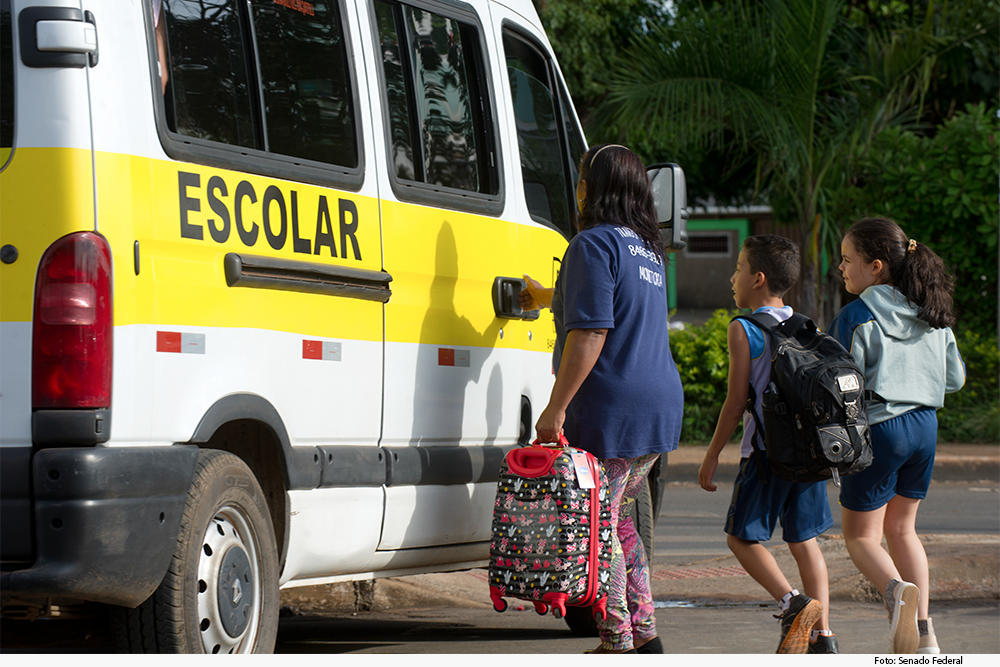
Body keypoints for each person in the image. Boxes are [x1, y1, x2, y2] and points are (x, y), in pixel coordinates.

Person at [518, 144, 683, 654]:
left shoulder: (591, 245)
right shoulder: (646, 250)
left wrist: (554, 408)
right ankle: (645, 633)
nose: (578, 187)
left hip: (614, 410)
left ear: (594, 187)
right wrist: (549, 296)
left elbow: (590, 333)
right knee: (618, 521)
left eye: (582, 178)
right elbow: (612, 301)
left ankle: (618, 639)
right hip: (656, 407)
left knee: (598, 528)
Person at [828, 217, 965, 654]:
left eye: (847, 260)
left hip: (881, 430)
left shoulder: (857, 316)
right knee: (904, 531)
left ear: (876, 266)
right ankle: (925, 636)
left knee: (862, 537)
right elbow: (954, 380)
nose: (841, 268)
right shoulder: (933, 312)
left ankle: (896, 591)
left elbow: (836, 383)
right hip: (925, 427)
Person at [698, 235, 838, 654]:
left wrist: (711, 456)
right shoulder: (807, 325)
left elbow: (736, 401)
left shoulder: (744, 329)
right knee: (804, 541)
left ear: (758, 278)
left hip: (765, 456)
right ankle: (823, 638)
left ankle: (792, 603)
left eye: (738, 268)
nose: (732, 276)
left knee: (741, 538)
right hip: (810, 455)